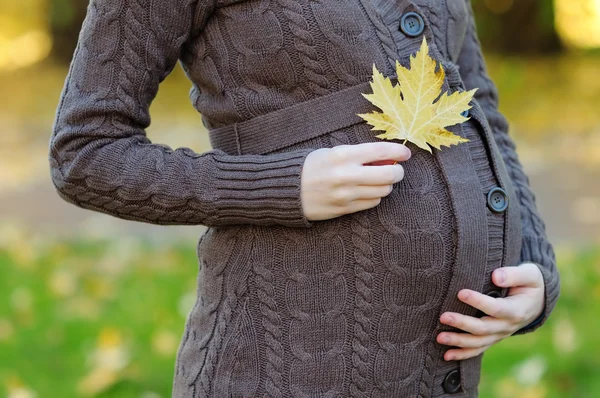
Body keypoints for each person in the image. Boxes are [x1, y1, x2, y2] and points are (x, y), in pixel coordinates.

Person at [48, 0, 560, 396]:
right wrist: (281, 185)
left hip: (438, 374)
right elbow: (85, 153)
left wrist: (533, 263)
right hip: (281, 371)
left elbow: (476, 106)